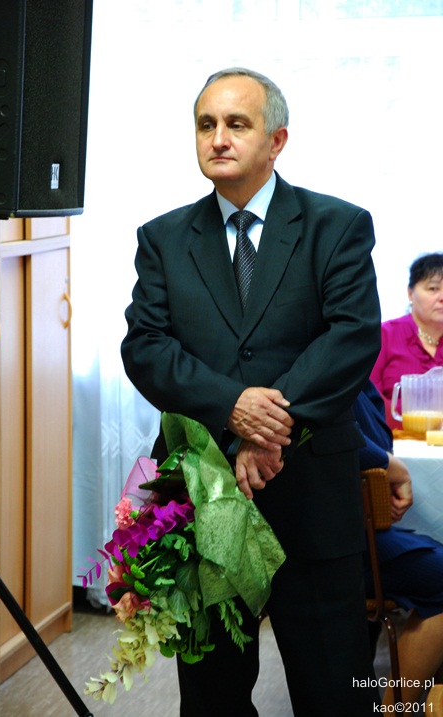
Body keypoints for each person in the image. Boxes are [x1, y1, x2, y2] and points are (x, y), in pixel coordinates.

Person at [121, 67, 382, 716]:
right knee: (211, 697)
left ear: (277, 140)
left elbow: (351, 339)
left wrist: (268, 429)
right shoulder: (163, 238)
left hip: (311, 494)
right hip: (205, 497)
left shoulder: (337, 225)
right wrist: (232, 409)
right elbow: (145, 347)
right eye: (206, 124)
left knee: (335, 691)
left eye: (237, 124)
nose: (218, 138)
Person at [354, 380, 443, 707]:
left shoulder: (358, 378)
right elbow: (335, 432)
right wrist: (387, 465)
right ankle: (395, 710)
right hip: (342, 538)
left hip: (361, 527)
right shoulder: (328, 372)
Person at [370, 252, 443, 427]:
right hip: (393, 438)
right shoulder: (384, 336)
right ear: (410, 293)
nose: (442, 297)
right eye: (433, 289)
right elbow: (369, 399)